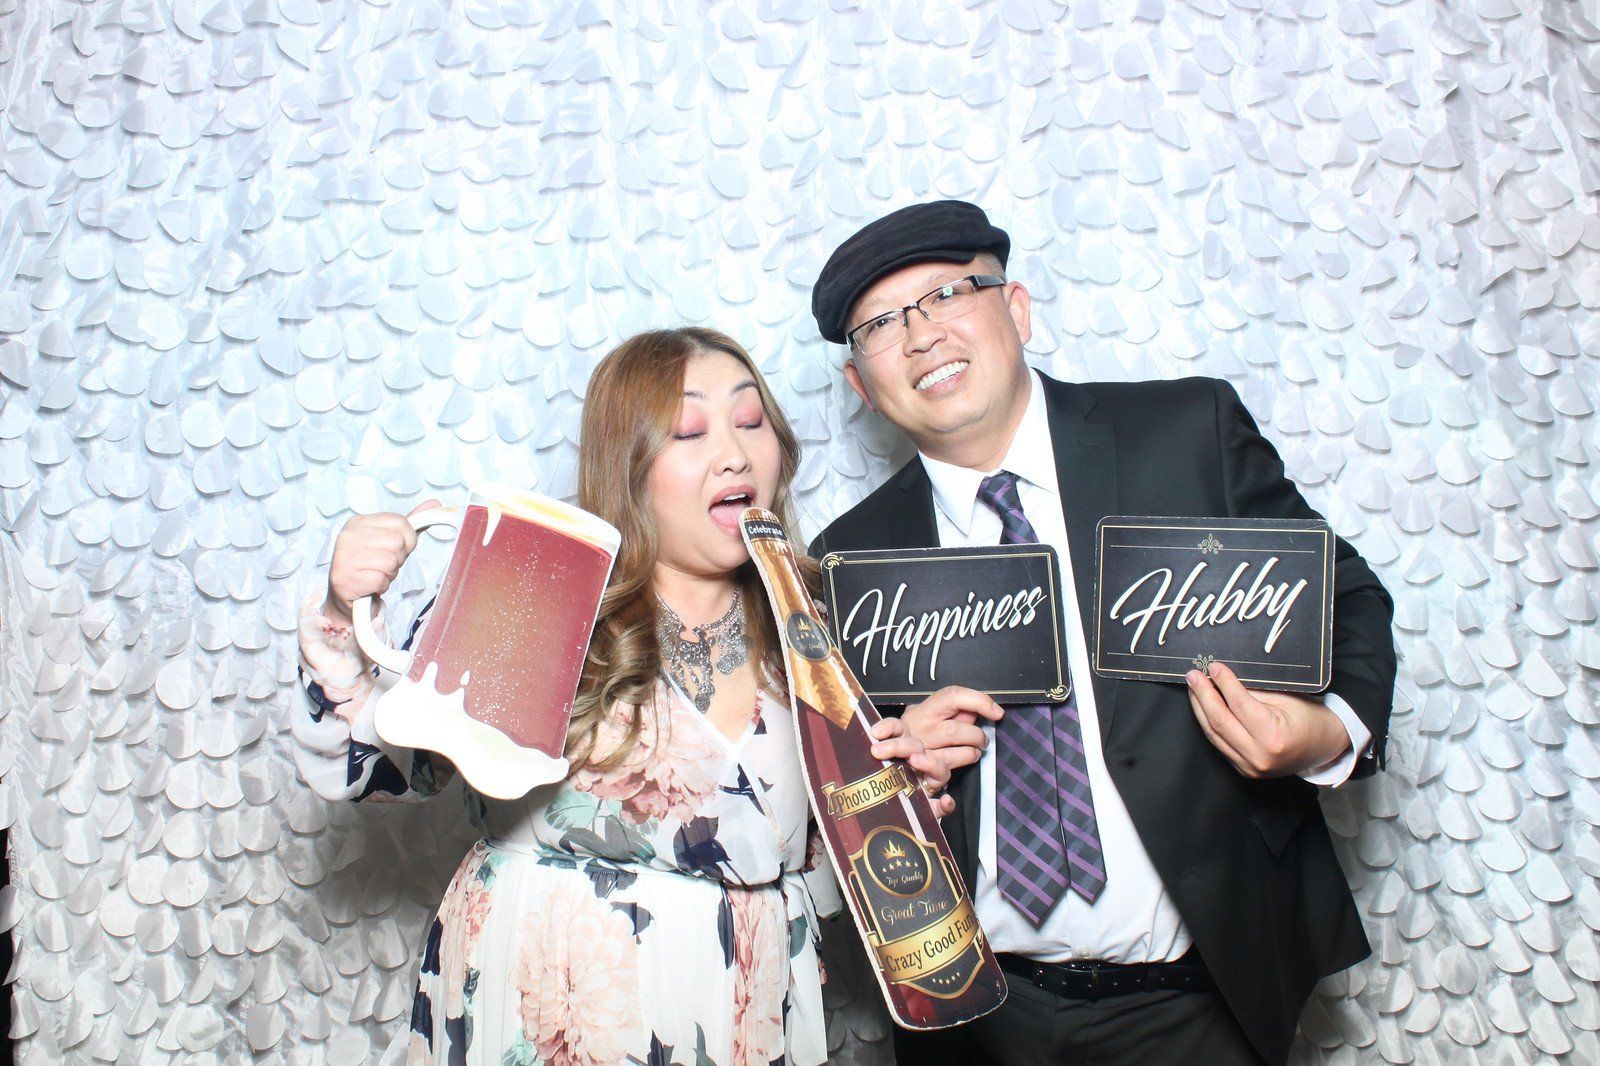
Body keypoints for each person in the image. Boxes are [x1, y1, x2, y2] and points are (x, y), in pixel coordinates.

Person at [807, 201, 1397, 1065]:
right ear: (861, 383)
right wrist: (891, 781)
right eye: (881, 325)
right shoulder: (847, 561)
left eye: (946, 295)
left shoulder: (1186, 436)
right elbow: (845, 809)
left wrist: (1321, 733)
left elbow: (1349, 606)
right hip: (978, 1018)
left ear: (1016, 309)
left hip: (1204, 1002)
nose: (921, 335)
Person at [292, 328, 950, 1065]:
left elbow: (814, 874)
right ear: (627, 465)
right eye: (690, 430)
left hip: (744, 1014)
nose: (733, 452)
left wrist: (897, 791)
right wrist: (342, 607)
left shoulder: (823, 628)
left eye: (752, 421)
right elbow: (367, 771)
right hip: (549, 1003)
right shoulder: (540, 598)